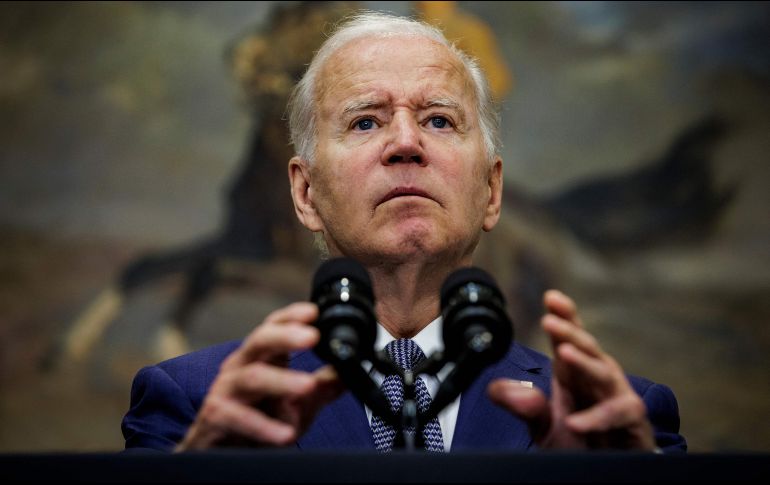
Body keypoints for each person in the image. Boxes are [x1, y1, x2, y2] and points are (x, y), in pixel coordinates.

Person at [122, 12, 686, 453]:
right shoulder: (192, 406)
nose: (406, 143)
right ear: (305, 193)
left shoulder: (617, 422)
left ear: (491, 191)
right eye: (365, 121)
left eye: (439, 120)